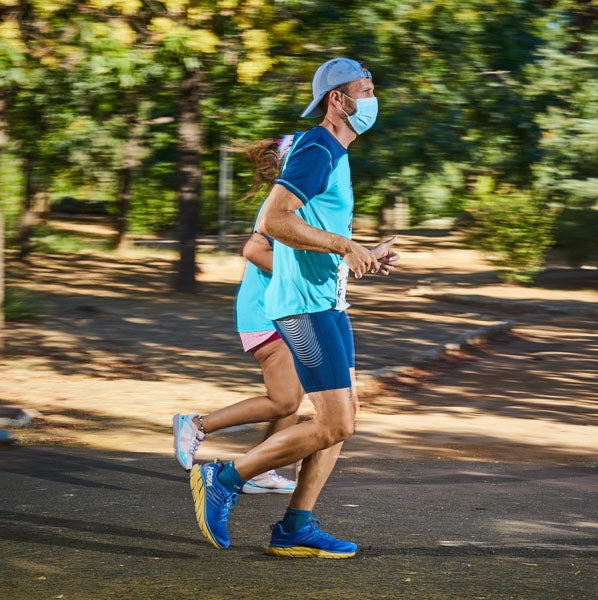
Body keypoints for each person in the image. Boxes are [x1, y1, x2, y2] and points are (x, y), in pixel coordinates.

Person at [189, 57, 399, 559]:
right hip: (301, 309)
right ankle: (224, 478)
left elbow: (310, 230)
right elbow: (274, 220)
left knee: (345, 417)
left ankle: (295, 526)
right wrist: (344, 246)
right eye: (365, 89)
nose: (372, 99)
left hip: (327, 302)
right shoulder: (318, 146)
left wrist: (361, 252)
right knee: (335, 423)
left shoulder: (335, 154)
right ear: (338, 99)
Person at [172, 135, 302, 495]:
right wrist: (305, 278)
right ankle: (196, 424)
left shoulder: (297, 202)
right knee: (285, 400)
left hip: (284, 310)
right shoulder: (282, 204)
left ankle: (263, 467)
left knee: (293, 394)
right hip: (265, 312)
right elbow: (254, 252)